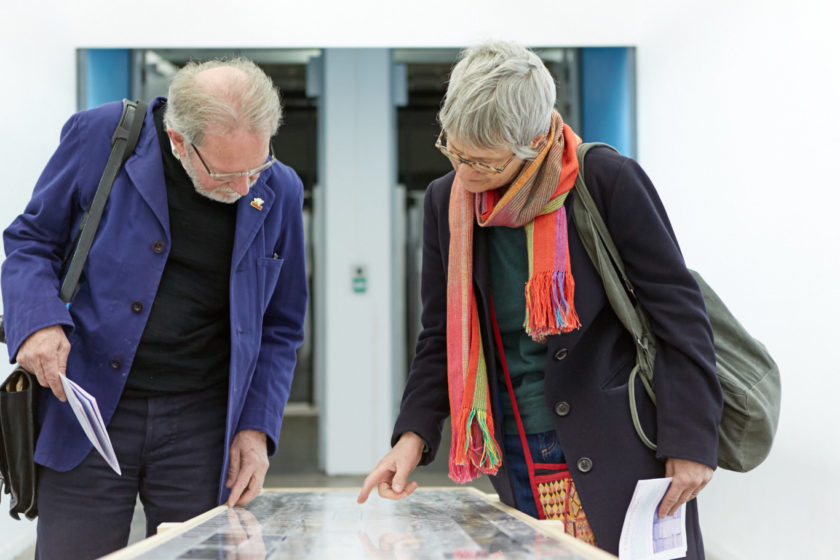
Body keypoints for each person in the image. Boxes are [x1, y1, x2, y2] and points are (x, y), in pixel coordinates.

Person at [358, 41, 722, 558]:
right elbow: (441, 333)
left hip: (619, 442)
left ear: (532, 142)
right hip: (516, 445)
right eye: (453, 152)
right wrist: (412, 435)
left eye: (481, 162)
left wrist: (690, 442)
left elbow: (679, 315)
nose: (464, 173)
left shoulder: (605, 182)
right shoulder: (448, 201)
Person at [1, 58, 308, 559]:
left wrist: (256, 428)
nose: (247, 187)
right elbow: (31, 241)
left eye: (258, 166)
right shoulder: (102, 137)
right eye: (229, 174)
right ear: (179, 141)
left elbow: (280, 325)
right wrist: (37, 322)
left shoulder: (280, 190)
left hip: (202, 424)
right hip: (89, 408)